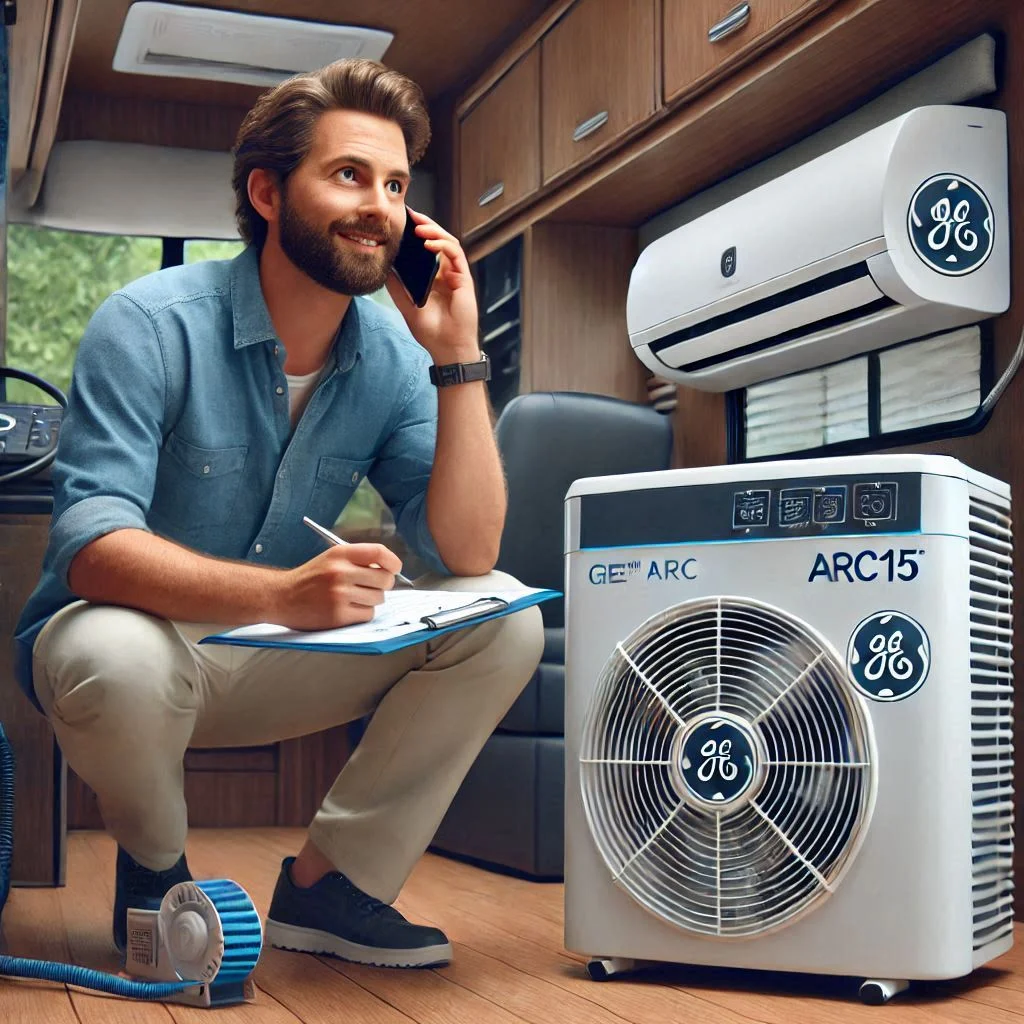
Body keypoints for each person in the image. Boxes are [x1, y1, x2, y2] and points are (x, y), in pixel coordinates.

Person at [13, 58, 544, 969]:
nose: (380, 205)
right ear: (267, 192)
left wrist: (459, 358)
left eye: (395, 184)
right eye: (348, 174)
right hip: (135, 661)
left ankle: (330, 890)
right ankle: (157, 880)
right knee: (110, 645)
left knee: (502, 617)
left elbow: (469, 547)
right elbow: (93, 550)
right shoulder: (146, 325)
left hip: (275, 662)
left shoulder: (393, 357)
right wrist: (286, 594)